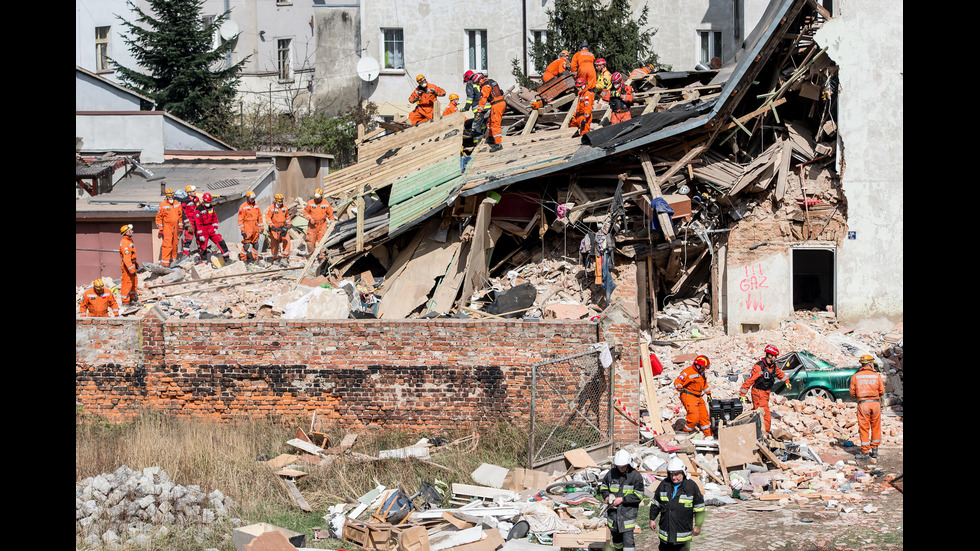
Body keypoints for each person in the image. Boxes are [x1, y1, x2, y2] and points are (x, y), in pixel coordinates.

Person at [648, 457, 706, 550]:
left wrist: (698, 525)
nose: (674, 477)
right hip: (665, 536)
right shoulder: (664, 485)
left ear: (683, 472)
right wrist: (652, 518)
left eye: (677, 474)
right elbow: (656, 503)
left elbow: (699, 508)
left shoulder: (691, 487)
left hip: (682, 536)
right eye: (671, 474)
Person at [739, 344, 792, 436]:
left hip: (766, 393)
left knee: (757, 411)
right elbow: (749, 380)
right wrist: (742, 393)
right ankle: (765, 433)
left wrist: (787, 381)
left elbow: (780, 374)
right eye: (775, 356)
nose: (776, 358)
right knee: (765, 414)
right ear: (770, 355)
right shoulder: (759, 367)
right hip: (758, 392)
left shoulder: (773, 366)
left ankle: (754, 429)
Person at [599, 449, 644, 551]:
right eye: (618, 466)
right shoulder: (611, 473)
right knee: (617, 542)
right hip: (613, 517)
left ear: (628, 464)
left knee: (628, 543)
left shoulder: (635, 476)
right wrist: (606, 496)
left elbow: (639, 496)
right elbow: (604, 486)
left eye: (622, 466)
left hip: (627, 516)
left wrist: (622, 499)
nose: (620, 468)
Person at [849, 354, 885, 460]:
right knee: (876, 426)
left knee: (864, 427)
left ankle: (865, 452)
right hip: (875, 403)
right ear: (871, 363)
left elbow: (852, 393)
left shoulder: (856, 376)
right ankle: (875, 450)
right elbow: (882, 391)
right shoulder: (876, 376)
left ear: (862, 364)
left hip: (863, 404)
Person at [673, 355, 713, 437]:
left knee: (704, 417)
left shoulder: (701, 372)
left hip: (698, 396)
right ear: (698, 366)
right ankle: (685, 434)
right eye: (703, 367)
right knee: (694, 418)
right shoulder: (688, 372)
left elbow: (704, 383)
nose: (704, 369)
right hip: (689, 396)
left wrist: (708, 393)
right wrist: (680, 388)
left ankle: (708, 436)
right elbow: (677, 382)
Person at [193, 193, 233, 264]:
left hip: (211, 228)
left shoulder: (211, 207)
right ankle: (203, 262)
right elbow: (197, 223)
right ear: (203, 201)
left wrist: (215, 228)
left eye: (209, 202)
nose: (208, 204)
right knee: (203, 247)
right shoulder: (198, 209)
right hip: (203, 229)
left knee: (220, 241)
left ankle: (227, 258)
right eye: (207, 202)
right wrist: (200, 234)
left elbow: (214, 217)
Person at [474, 73, 506, 152]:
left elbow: (483, 99)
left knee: (495, 124)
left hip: (497, 104)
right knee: (490, 122)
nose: (478, 84)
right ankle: (491, 138)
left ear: (480, 79)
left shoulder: (485, 86)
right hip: (500, 103)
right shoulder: (492, 81)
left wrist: (479, 112)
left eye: (478, 82)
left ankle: (498, 144)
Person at [155, 187, 183, 267]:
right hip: (167, 227)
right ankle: (165, 263)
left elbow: (180, 216)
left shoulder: (177, 203)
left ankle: (173, 261)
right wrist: (160, 229)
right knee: (167, 245)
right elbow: (159, 218)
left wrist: (180, 227)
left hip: (176, 227)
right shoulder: (162, 205)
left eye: (171, 196)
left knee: (175, 245)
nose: (170, 198)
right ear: (166, 197)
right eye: (168, 197)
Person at [303, 188, 334, 256]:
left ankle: (322, 255)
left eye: (318, 198)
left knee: (323, 240)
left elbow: (330, 215)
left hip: (322, 224)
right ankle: (311, 255)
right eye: (316, 198)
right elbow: (305, 212)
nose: (317, 199)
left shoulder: (326, 204)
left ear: (321, 196)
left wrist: (332, 225)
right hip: (312, 225)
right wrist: (310, 219)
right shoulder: (310, 203)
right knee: (310, 240)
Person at [266, 193, 292, 266]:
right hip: (275, 228)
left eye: (281, 201)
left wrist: (289, 224)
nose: (280, 203)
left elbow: (287, 217)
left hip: (283, 227)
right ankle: (275, 258)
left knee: (287, 241)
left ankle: (285, 258)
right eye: (279, 201)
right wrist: (271, 226)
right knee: (274, 244)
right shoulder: (271, 208)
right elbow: (267, 218)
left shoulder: (285, 208)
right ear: (275, 201)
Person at [238, 190, 264, 263]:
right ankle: (243, 259)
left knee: (256, 244)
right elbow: (240, 219)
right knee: (246, 245)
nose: (253, 200)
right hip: (247, 228)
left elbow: (259, 217)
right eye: (251, 199)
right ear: (247, 198)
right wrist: (242, 230)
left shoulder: (256, 206)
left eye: (254, 199)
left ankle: (255, 259)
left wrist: (261, 227)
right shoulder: (243, 207)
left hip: (255, 227)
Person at [119, 224, 140, 306]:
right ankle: (125, 301)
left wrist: (135, 263)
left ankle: (132, 298)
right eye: (130, 230)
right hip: (128, 266)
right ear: (126, 232)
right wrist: (131, 269)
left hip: (132, 264)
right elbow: (126, 258)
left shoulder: (129, 241)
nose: (132, 231)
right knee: (127, 283)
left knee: (134, 282)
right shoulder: (125, 243)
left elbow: (132, 254)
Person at [179, 185, 201, 259]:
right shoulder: (185, 201)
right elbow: (183, 213)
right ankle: (185, 255)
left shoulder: (197, 199)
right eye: (193, 191)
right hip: (190, 222)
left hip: (197, 221)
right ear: (189, 193)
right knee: (188, 239)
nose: (195, 192)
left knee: (200, 238)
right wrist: (188, 224)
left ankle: (201, 252)